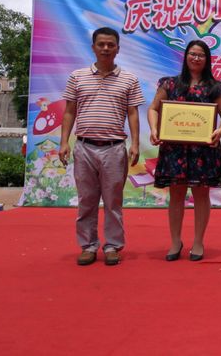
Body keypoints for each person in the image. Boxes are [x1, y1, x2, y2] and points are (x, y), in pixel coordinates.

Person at [59, 27, 145, 266]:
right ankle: (88, 246)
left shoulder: (129, 79)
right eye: (101, 44)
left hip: (114, 148)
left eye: (110, 45)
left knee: (113, 201)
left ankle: (112, 246)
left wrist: (136, 143)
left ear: (118, 49)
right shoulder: (77, 76)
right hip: (84, 146)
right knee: (86, 200)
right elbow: (69, 112)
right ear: (93, 47)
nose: (106, 48)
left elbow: (133, 113)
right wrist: (64, 142)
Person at [147, 40, 221, 262]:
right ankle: (175, 241)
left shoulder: (215, 87)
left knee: (201, 196)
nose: (196, 58)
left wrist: (220, 130)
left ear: (207, 59)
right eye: (192, 54)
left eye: (201, 55)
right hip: (174, 150)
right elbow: (154, 108)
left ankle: (198, 241)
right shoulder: (169, 83)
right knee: (176, 195)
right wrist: (154, 129)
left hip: (204, 151)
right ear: (186, 56)